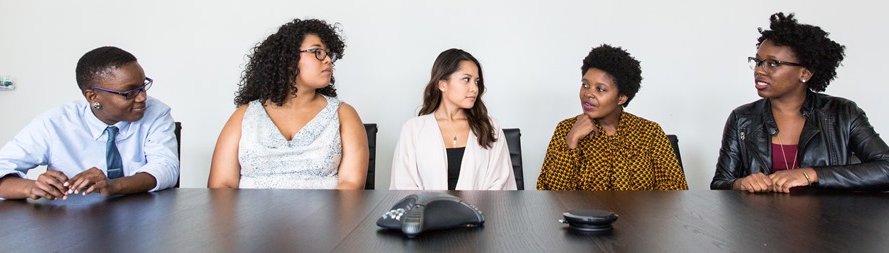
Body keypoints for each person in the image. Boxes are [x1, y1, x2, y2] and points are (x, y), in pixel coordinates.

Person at [711, 13, 889, 193]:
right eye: (758, 61)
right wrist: (739, 183)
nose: (759, 71)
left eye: (772, 63)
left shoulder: (843, 113)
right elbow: (720, 183)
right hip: (761, 226)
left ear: (804, 73)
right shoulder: (742, 118)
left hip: (830, 225)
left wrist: (811, 174)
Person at [0, 46, 179, 200]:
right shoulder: (55, 123)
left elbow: (166, 168)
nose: (142, 97)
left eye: (143, 86)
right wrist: (30, 187)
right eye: (129, 92)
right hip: (71, 223)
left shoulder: (156, 113)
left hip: (143, 221)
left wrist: (113, 185)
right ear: (93, 97)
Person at [208, 18, 367, 189]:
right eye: (317, 52)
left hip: (326, 215)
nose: (328, 59)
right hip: (250, 216)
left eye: (329, 54)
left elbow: (351, 186)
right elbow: (221, 186)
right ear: (289, 59)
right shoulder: (245, 115)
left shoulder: (344, 114)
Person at [537, 44, 688, 191]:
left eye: (600, 89)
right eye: (585, 85)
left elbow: (675, 191)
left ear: (622, 97)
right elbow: (549, 195)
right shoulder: (566, 129)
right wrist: (572, 140)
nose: (587, 94)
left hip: (638, 216)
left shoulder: (649, 132)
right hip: (584, 216)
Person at [390, 48, 516, 190]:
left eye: (476, 81)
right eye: (466, 79)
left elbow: (500, 185)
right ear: (442, 84)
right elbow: (403, 186)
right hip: (426, 211)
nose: (474, 88)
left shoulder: (490, 127)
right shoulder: (413, 129)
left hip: (481, 211)